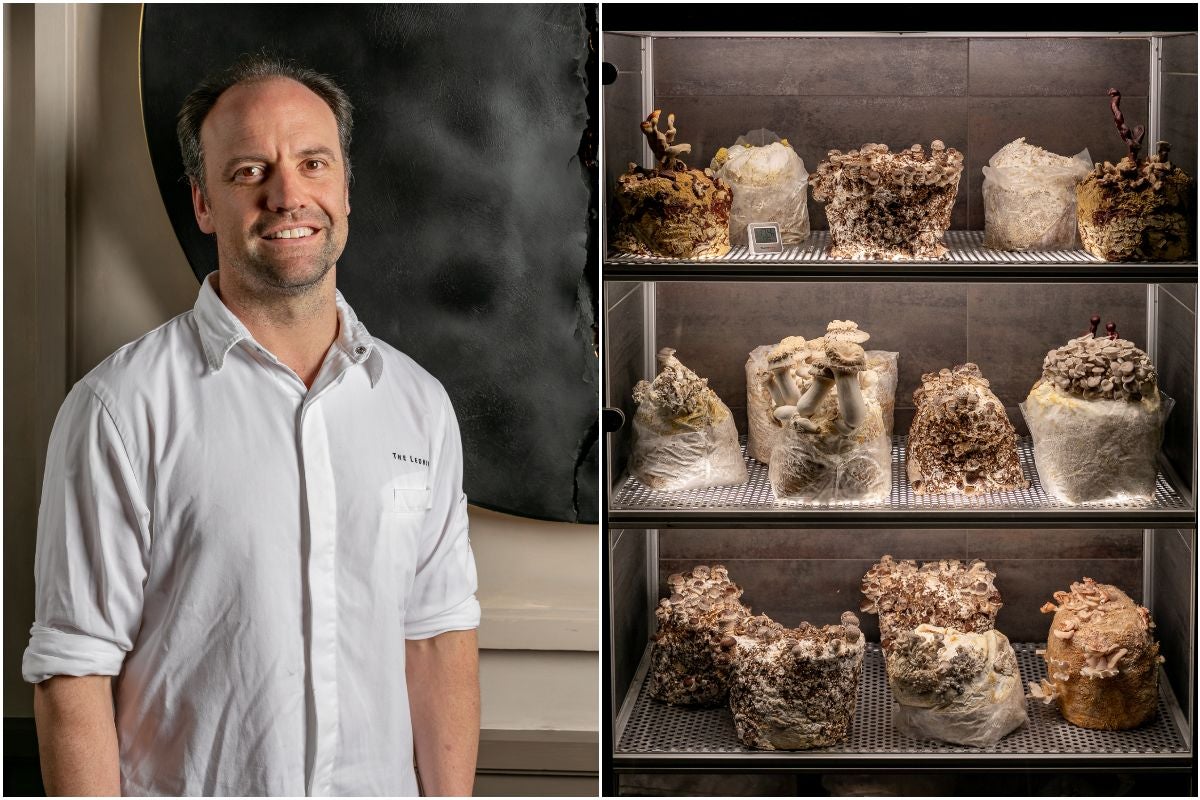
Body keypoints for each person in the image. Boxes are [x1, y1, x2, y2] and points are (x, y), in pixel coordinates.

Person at [23, 54, 481, 797]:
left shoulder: (418, 403)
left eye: (312, 163)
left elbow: (437, 638)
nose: (288, 195)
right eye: (248, 172)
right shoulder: (119, 409)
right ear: (204, 203)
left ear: (345, 188)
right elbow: (73, 671)